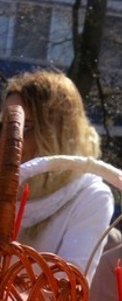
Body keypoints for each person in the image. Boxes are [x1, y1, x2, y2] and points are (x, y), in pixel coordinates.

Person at [4, 70, 114, 279]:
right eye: (6, 126)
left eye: (25, 127)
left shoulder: (90, 196)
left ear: (58, 133)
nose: (9, 139)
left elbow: (66, 289)